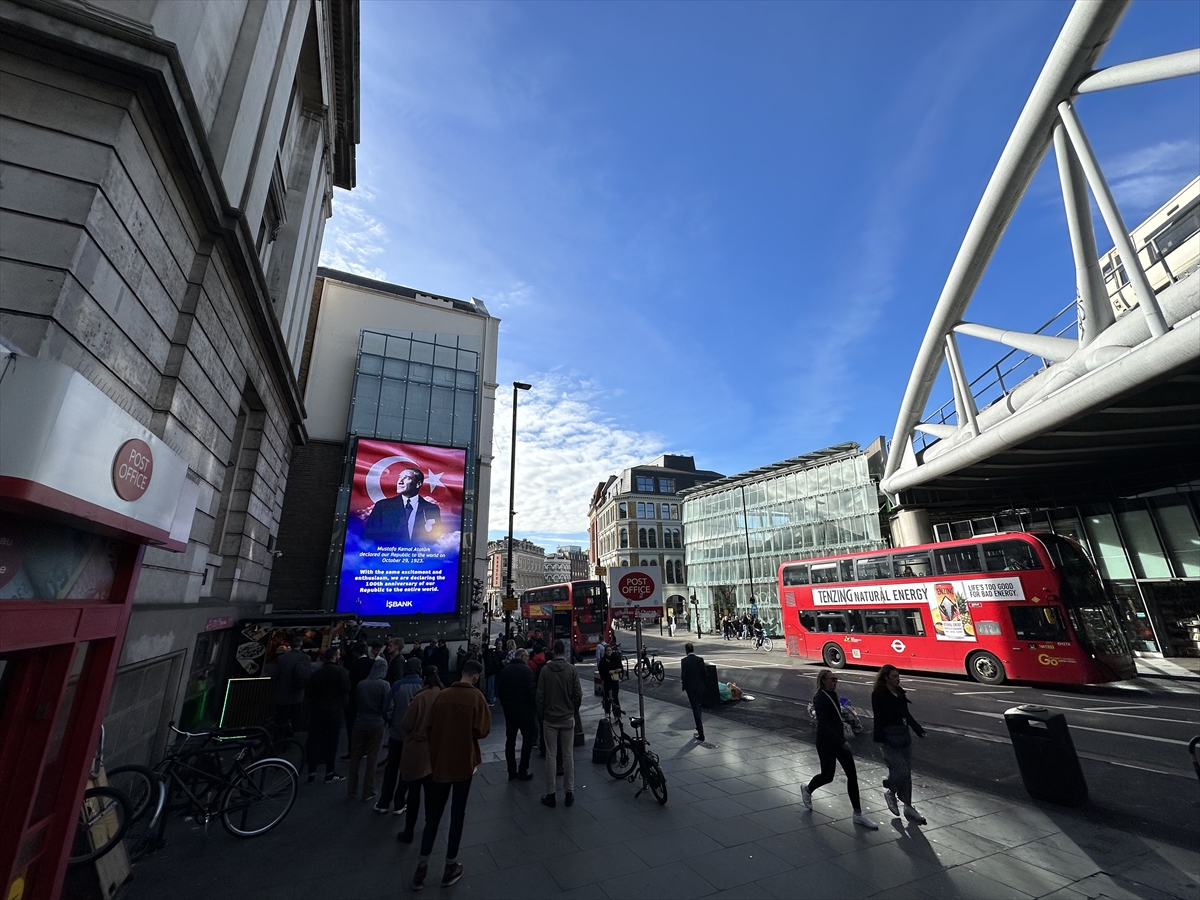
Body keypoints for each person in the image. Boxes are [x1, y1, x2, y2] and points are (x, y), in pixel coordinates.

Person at [411, 660, 491, 890]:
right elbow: (482, 731)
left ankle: (422, 867)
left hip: (441, 763)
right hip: (464, 762)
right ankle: (450, 865)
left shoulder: (442, 696)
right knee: (457, 814)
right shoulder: (476, 697)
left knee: (433, 816)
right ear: (475, 677)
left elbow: (429, 727)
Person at [800, 669, 878, 829]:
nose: (835, 681)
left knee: (852, 775)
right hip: (826, 743)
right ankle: (807, 789)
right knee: (827, 776)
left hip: (838, 741)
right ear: (824, 681)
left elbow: (836, 720)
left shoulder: (833, 695)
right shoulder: (820, 697)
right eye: (832, 679)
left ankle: (858, 814)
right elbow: (825, 725)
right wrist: (841, 740)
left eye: (836, 679)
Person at [871, 665, 927, 824]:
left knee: (906, 772)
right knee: (900, 769)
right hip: (889, 736)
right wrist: (879, 739)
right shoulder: (878, 694)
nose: (897, 679)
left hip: (903, 734)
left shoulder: (900, 692)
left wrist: (917, 729)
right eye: (894, 676)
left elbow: (906, 714)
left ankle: (908, 805)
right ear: (886, 677)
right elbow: (878, 717)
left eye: (898, 676)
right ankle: (890, 790)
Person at [397, 667, 443, 845]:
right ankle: (430, 827)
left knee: (414, 793)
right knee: (432, 795)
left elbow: (407, 724)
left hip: (417, 750)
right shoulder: (443, 695)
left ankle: (409, 831)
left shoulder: (419, 697)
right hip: (435, 750)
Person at [536, 640, 582, 808]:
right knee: (568, 755)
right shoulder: (571, 669)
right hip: (567, 716)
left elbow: (539, 695)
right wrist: (573, 709)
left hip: (550, 718)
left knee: (551, 755)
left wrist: (542, 714)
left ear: (553, 651)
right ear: (564, 652)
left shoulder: (545, 671)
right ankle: (569, 793)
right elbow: (578, 693)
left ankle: (551, 794)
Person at [376, 658, 423, 814]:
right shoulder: (423, 685)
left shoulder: (397, 685)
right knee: (407, 768)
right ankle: (399, 802)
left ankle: (384, 802)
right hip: (413, 735)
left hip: (396, 733)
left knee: (391, 767)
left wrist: (392, 723)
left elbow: (387, 708)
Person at [363, 466, 442, 545]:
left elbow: (435, 541)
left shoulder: (432, 509)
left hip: (420, 556)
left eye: (407, 478)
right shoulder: (382, 506)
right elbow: (368, 539)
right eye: (400, 477)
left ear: (418, 484)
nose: (400, 482)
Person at [347, 655, 389, 802]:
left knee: (355, 757)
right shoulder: (384, 685)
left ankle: (351, 790)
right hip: (376, 722)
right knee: (372, 757)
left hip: (360, 722)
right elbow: (385, 706)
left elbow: (357, 702)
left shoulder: (361, 684)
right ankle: (368, 790)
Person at [304, 648, 349, 784]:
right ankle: (330, 772)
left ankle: (311, 773)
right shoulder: (340, 671)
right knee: (332, 741)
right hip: (334, 711)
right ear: (335, 657)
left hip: (317, 711)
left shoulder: (316, 673)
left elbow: (308, 693)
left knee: (315, 741)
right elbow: (346, 690)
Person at [496, 649, 537, 781]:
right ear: (522, 656)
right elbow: (532, 693)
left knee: (510, 741)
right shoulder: (526, 671)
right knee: (527, 740)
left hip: (510, 712)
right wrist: (534, 708)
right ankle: (523, 770)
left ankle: (511, 771)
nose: (528, 659)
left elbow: (500, 692)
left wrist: (506, 706)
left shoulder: (505, 671)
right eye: (527, 656)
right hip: (525, 711)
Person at [273, 635, 312, 736]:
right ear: (301, 645)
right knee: (294, 718)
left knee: (281, 719)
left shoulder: (282, 658)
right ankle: (290, 738)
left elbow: (275, 675)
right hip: (297, 694)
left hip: (282, 694)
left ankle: (280, 739)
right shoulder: (306, 658)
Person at [680, 643, 706, 742]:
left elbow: (684, 675)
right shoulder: (699, 660)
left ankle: (701, 733)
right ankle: (698, 726)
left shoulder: (684, 661)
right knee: (698, 706)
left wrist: (684, 686)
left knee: (695, 709)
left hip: (690, 688)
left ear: (686, 650)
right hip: (699, 687)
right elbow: (704, 673)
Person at [598, 643, 622, 715]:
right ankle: (607, 712)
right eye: (607, 650)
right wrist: (608, 672)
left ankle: (617, 714)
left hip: (614, 681)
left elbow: (620, 667)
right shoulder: (603, 661)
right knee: (607, 697)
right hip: (607, 681)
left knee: (615, 697)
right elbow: (602, 671)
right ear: (605, 652)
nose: (609, 652)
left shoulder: (615, 658)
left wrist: (616, 670)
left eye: (610, 650)